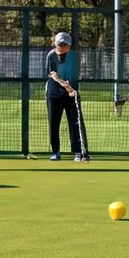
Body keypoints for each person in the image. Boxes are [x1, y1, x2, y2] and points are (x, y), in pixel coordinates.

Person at [44, 32, 89, 162]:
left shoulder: (73, 56)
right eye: (60, 44)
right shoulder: (51, 55)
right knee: (54, 122)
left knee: (75, 121)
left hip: (71, 92)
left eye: (64, 44)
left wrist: (71, 88)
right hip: (54, 92)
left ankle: (78, 152)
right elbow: (53, 74)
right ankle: (55, 151)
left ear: (69, 45)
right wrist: (65, 86)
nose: (62, 47)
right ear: (55, 44)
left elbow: (73, 74)